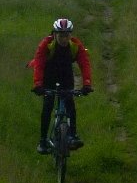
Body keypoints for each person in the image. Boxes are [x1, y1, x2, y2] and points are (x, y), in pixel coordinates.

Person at [29, 18, 93, 154]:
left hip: (66, 76)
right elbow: (39, 65)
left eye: (67, 35)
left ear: (71, 35)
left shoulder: (75, 45)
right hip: (49, 76)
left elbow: (84, 64)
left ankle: (72, 136)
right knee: (48, 106)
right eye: (61, 35)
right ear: (54, 34)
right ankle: (43, 141)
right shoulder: (46, 45)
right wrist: (38, 85)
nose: (64, 39)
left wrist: (87, 83)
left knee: (70, 104)